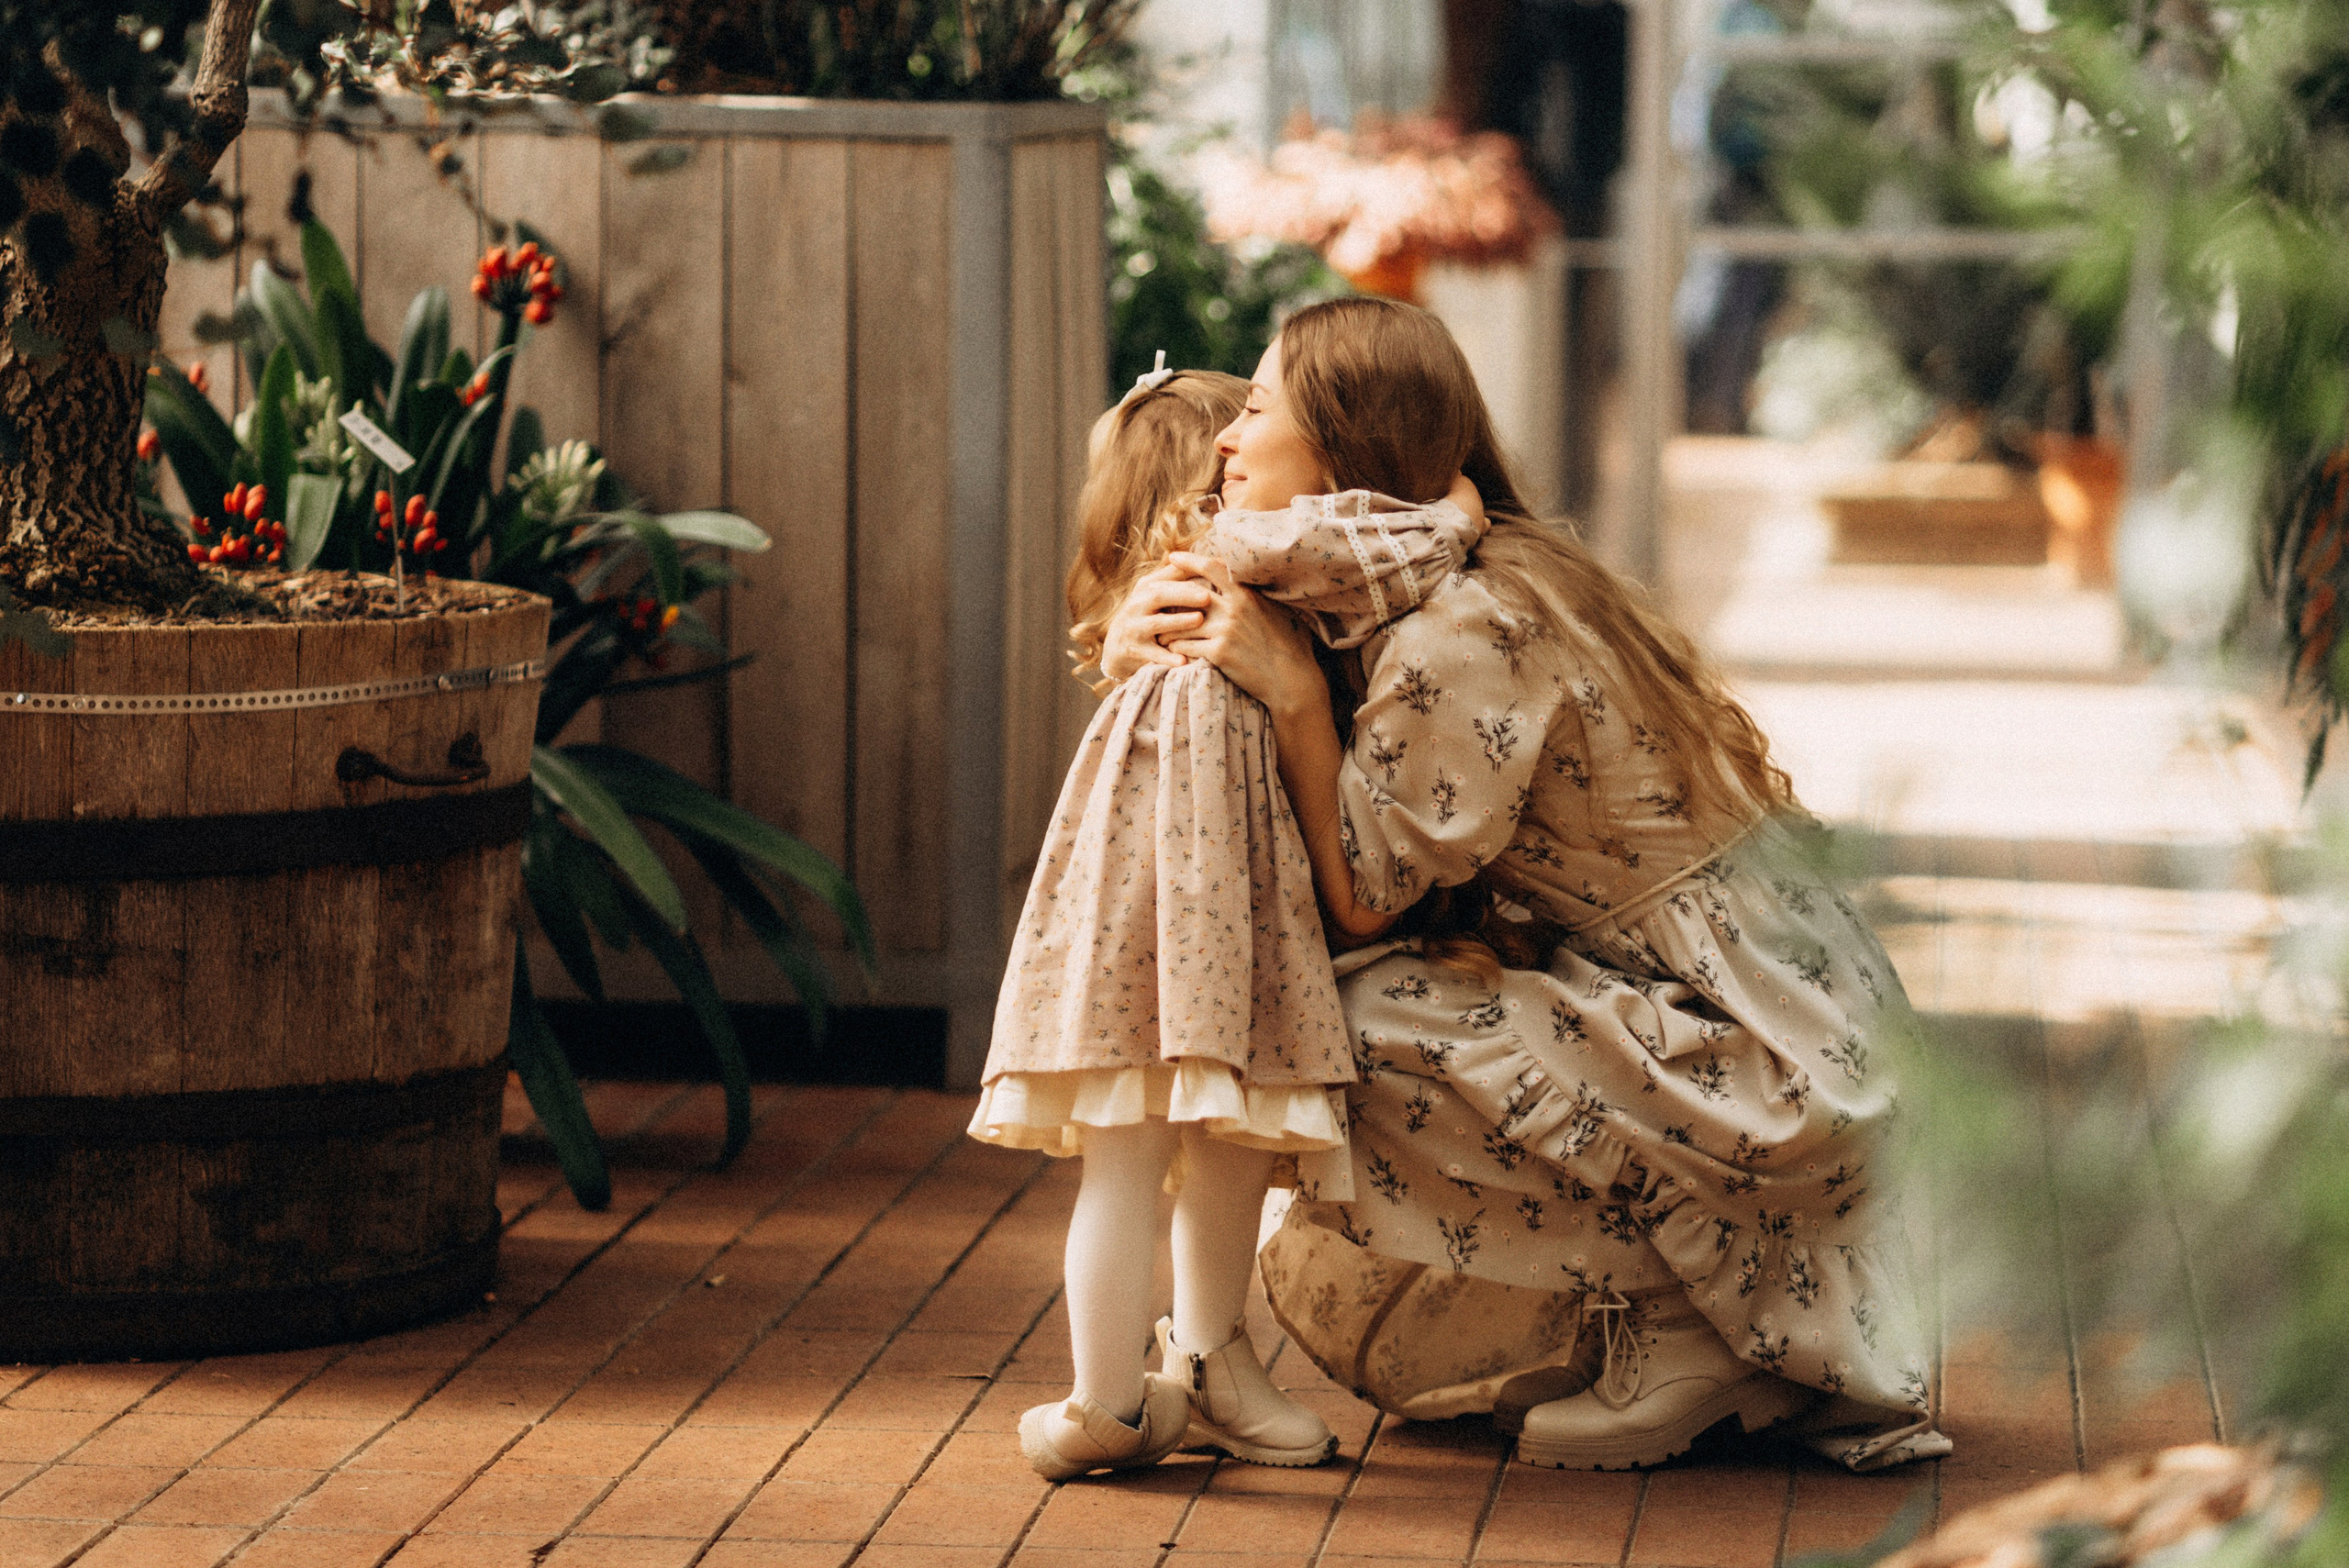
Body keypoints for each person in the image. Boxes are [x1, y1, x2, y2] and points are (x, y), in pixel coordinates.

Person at [1099, 297, 1950, 1474]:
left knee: (1339, 1027)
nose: (1227, 443)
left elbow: (1357, 894)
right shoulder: (1464, 558)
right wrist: (1139, 639)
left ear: (1343, 453)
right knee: (1361, 1022)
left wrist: (1296, 698)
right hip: (1776, 1010)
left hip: (1772, 1050)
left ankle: (1684, 1329)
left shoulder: (1467, 620)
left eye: (1253, 408)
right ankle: (1689, 1319)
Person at [970, 357, 1488, 1482]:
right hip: (1181, 916)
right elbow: (1392, 548)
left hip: (1213, 917)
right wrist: (1455, 504)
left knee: (1226, 1140)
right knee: (1140, 1150)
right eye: (1244, 426)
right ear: (1208, 487)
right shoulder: (1236, 559)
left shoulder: (1200, 601)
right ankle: (1106, 1394)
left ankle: (1206, 1361)